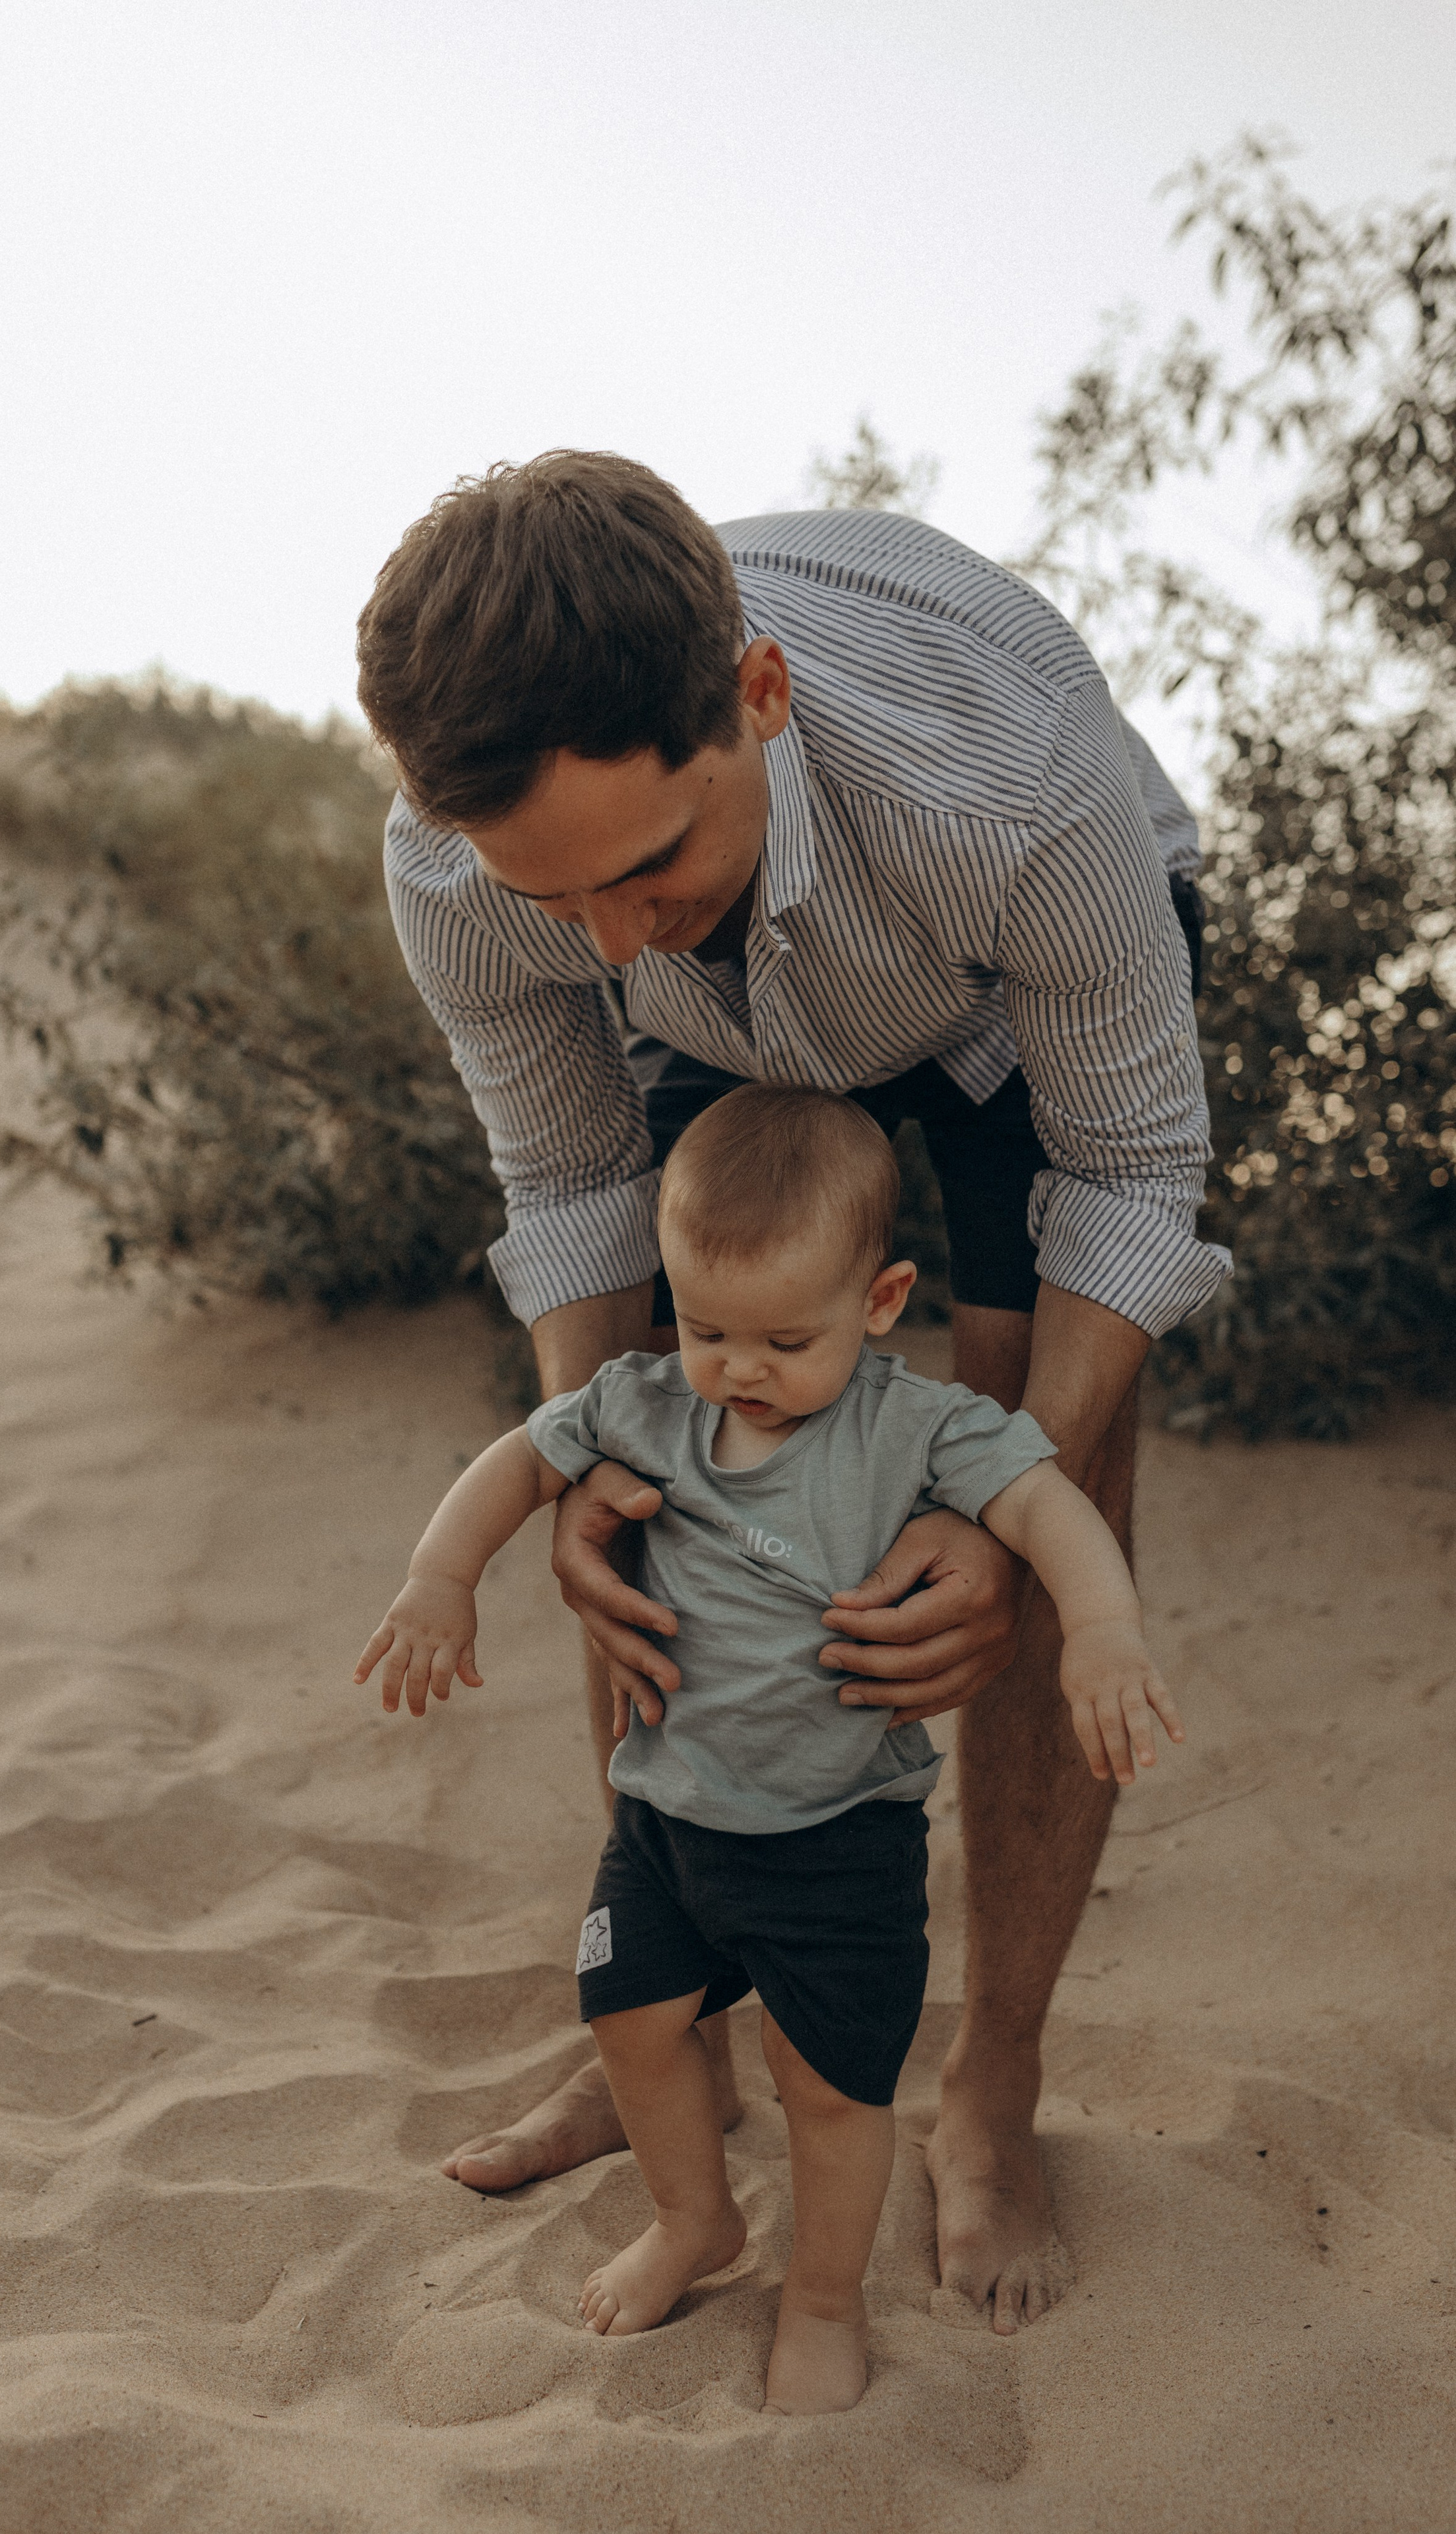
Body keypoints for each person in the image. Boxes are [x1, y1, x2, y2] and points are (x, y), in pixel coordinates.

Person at [356, 450, 1227, 2335]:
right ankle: (653, 2027)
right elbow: (574, 1197)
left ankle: (993, 2084)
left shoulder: (1004, 767)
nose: (599, 936)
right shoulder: (483, 871)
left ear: (754, 697)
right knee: (659, 1470)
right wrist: (598, 1472)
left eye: (645, 861)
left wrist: (999, 1521)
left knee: (1010, 1473)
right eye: (547, 892)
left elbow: (1138, 1186)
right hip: (731, 1030)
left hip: (1000, 988)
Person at [355, 1088, 1183, 2413]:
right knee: (627, 2019)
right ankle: (693, 2222)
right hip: (665, 1826)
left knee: (826, 2086)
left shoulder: (916, 1429)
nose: (739, 1368)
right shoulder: (645, 1406)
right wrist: (437, 1577)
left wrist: (1098, 1626)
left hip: (834, 1846)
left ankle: (820, 2294)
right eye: (705, 1328)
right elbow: (519, 1459)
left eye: (783, 1337)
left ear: (878, 1299)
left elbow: (1044, 1501)